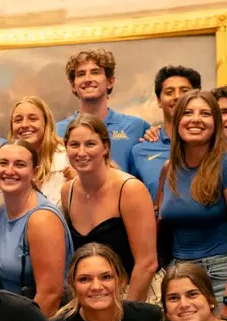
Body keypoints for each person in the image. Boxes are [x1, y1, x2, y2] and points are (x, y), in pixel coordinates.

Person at [157, 91, 227, 321]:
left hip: (223, 274)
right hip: (180, 276)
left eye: (205, 113)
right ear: (177, 122)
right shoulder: (169, 168)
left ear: (215, 123)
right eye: (188, 113)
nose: (196, 119)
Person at [59, 115, 158, 296]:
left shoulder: (130, 189)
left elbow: (147, 264)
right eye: (74, 145)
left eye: (90, 144)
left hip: (137, 293)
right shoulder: (68, 192)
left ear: (105, 147)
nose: (81, 152)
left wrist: (127, 315)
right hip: (94, 295)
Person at [0, 142, 67, 316]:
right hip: (6, 318)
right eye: (3, 163)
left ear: (35, 171)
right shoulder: (0, 212)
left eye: (20, 164)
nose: (9, 171)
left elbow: (50, 296)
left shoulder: (42, 219)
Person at [55, 48, 151, 171]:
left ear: (110, 82)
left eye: (95, 72)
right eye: (81, 74)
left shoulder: (137, 127)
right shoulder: (57, 132)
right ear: (73, 85)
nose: (87, 79)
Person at [128, 65, 200, 195]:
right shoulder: (140, 151)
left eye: (184, 91)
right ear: (159, 101)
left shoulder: (211, 147)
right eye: (169, 92)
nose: (177, 97)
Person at [9, 97, 67, 200]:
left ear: (46, 123)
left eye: (33, 119)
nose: (24, 125)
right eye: (18, 120)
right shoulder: (6, 163)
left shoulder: (66, 159)